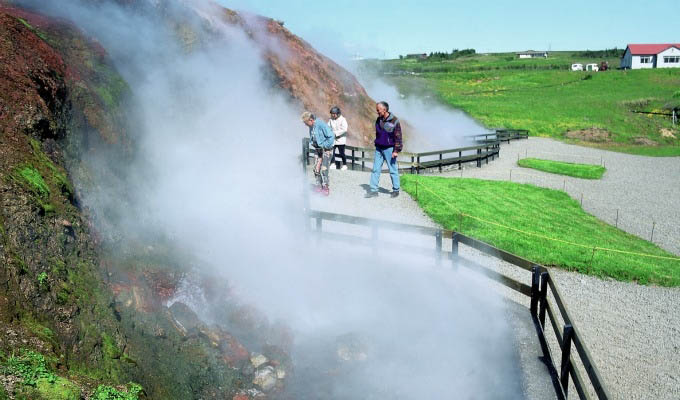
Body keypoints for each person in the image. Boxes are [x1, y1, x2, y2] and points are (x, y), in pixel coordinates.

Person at [365, 101, 402, 198]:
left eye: (378, 110)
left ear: (384, 110)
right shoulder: (378, 119)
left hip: (390, 149)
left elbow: (398, 137)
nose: (377, 112)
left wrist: (396, 150)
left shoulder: (395, 120)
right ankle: (373, 191)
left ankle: (396, 190)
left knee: (393, 169)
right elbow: (378, 133)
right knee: (375, 169)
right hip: (379, 148)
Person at [302, 111, 334, 196]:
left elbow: (331, 136)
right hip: (318, 150)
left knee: (324, 169)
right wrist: (312, 142)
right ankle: (319, 186)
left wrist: (325, 146)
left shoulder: (321, 124)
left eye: (306, 123)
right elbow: (313, 136)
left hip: (326, 150)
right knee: (316, 169)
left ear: (311, 120)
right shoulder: (311, 126)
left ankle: (326, 187)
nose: (305, 125)